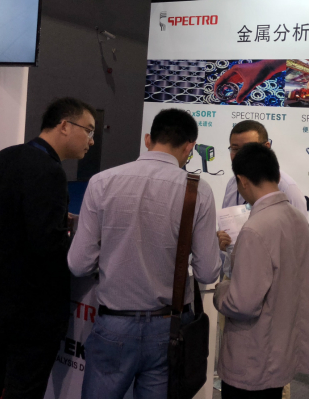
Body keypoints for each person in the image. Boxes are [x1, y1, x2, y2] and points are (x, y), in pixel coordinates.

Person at [0, 98, 95, 399]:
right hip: (29, 309)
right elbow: (47, 244)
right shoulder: (49, 171)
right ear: (64, 126)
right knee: (24, 387)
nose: (91, 140)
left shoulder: (5, 157)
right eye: (88, 130)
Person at [68, 108, 221, 399]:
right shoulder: (198, 191)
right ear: (189, 147)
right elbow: (207, 272)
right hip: (169, 328)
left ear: (148, 139)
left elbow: (78, 264)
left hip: (113, 323)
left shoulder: (102, 181)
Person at [214, 143, 309, 399]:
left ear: (242, 181)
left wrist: (220, 291)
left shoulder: (255, 229)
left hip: (253, 357)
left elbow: (242, 304)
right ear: (277, 175)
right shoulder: (298, 219)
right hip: (282, 348)